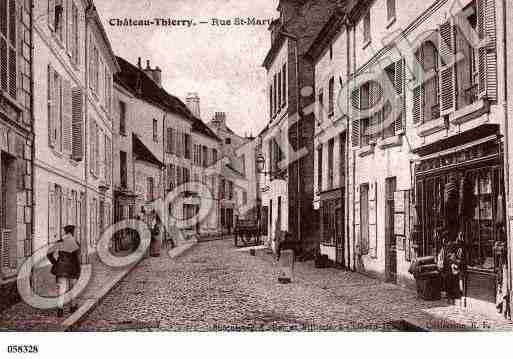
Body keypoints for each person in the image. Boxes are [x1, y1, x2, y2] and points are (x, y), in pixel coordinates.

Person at [47, 225, 81, 317]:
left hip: (61, 268)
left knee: (61, 290)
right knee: (73, 289)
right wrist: (78, 271)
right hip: (72, 269)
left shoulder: (60, 242)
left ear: (65, 232)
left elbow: (49, 254)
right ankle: (73, 307)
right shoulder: (76, 243)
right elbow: (77, 259)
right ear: (72, 232)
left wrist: (55, 263)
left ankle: (60, 309)